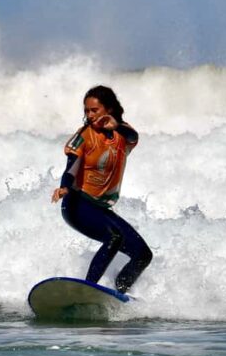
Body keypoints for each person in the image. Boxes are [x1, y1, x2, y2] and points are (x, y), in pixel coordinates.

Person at [51, 85, 152, 293]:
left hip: (99, 208)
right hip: (77, 204)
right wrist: (64, 187)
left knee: (143, 254)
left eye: (94, 110)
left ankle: (119, 292)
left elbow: (133, 137)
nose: (89, 115)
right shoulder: (84, 135)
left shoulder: (122, 134)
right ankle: (89, 288)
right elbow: (71, 167)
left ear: (109, 109)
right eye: (86, 111)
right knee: (114, 237)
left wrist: (116, 125)